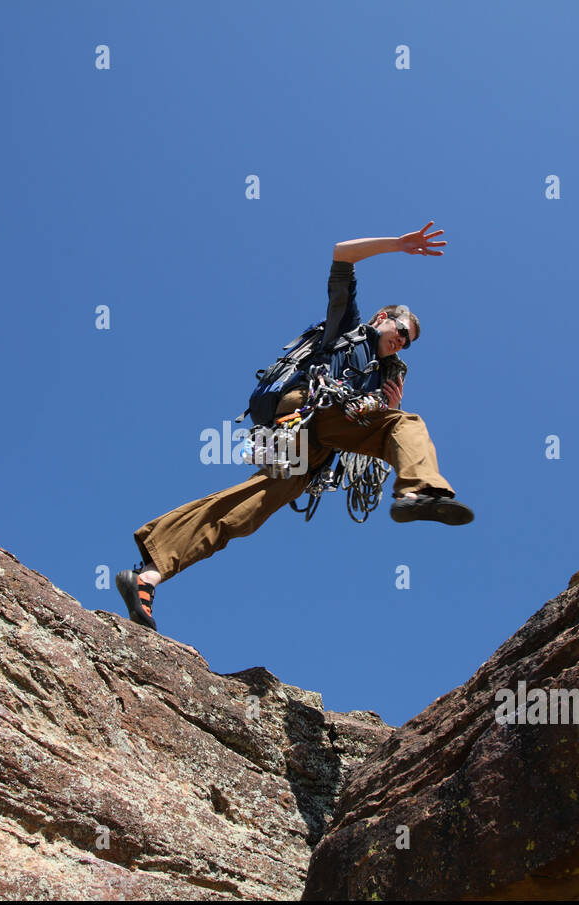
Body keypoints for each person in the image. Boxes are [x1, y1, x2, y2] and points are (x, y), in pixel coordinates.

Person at [117, 222, 473, 632]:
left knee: (249, 507)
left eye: (409, 343)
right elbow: (342, 253)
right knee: (408, 424)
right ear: (383, 318)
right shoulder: (349, 327)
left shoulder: (382, 378)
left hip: (320, 444)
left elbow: (378, 423)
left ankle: (147, 576)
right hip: (308, 410)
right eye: (402, 332)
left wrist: (386, 406)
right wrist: (398, 245)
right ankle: (416, 491)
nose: (402, 343)